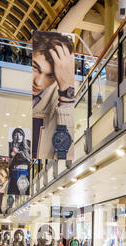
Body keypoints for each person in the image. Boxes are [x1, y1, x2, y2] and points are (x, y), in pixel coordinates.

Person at [32, 31, 74, 160]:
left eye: (50, 75)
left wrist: (66, 97)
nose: (38, 82)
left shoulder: (60, 95)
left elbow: (66, 155)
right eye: (34, 68)